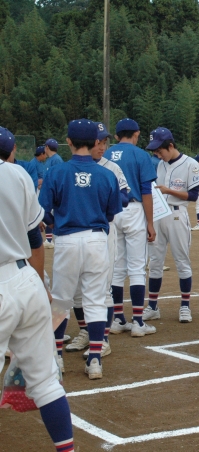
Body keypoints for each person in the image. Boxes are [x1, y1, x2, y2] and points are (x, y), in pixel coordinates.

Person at [0, 126, 76, 451]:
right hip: (24, 278)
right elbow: (35, 238)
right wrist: (39, 284)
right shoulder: (17, 174)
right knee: (45, 383)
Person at [39, 119, 122, 380]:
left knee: (61, 300)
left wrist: (56, 222)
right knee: (96, 300)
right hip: (96, 239)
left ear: (69, 142)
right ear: (96, 142)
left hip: (66, 239)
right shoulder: (107, 174)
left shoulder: (56, 172)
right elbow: (112, 213)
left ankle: (57, 359)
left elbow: (43, 211)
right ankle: (95, 360)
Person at [68, 123, 129, 360]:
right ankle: (85, 331)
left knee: (103, 286)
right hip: (74, 233)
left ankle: (103, 339)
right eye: (98, 142)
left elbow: (125, 197)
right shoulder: (71, 168)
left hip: (104, 231)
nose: (101, 146)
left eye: (104, 142)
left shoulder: (111, 167)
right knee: (75, 288)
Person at [104, 118, 159, 337]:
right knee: (136, 267)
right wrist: (150, 222)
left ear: (117, 136)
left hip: (111, 211)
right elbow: (146, 191)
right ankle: (138, 322)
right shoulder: (140, 154)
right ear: (136, 134)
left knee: (117, 267)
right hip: (134, 209)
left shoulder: (106, 153)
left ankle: (118, 319)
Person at [145, 127, 199, 324]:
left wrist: (169, 190)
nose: (157, 154)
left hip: (177, 214)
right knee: (155, 262)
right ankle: (152, 306)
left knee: (182, 261)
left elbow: (194, 195)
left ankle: (185, 306)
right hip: (158, 214)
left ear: (170, 146)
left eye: (159, 150)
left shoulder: (190, 164)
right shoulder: (160, 165)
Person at [42, 138, 64, 249]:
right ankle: (49, 239)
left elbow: (59, 178)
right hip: (49, 192)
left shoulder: (56, 160)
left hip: (54, 195)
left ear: (47, 147)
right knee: (47, 215)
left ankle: (51, 239)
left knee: (51, 215)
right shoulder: (50, 160)